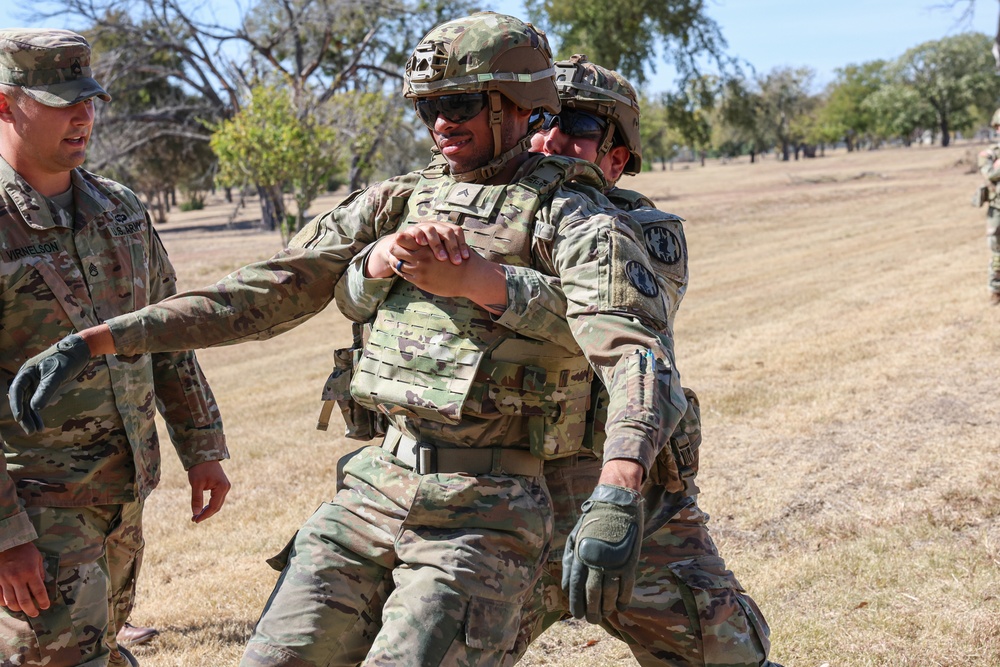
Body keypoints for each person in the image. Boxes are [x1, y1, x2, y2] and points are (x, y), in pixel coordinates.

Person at [12, 13, 682, 666]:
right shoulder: (398, 199)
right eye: (428, 109)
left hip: (485, 513)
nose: (441, 124)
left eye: (458, 104)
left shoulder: (575, 218)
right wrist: (103, 338)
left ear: (517, 104)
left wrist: (620, 486)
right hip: (371, 488)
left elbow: (637, 357)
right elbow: (267, 291)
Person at [335, 53, 776, 665]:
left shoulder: (642, 233)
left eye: (581, 129)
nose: (552, 138)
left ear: (617, 158)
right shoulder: (458, 206)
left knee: (720, 651)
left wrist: (478, 281)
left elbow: (612, 328)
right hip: (495, 491)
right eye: (541, 118)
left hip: (619, 488)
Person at [0, 29, 230, 667]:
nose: (83, 115)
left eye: (90, 98)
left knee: (97, 647)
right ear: (4, 104)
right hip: (37, 507)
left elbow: (169, 335)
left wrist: (202, 446)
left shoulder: (121, 209)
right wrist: (7, 536)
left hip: (122, 493)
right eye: (60, 100)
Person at [976, 107, 1000, 305]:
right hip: (997, 211)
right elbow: (990, 174)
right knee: (997, 251)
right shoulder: (989, 153)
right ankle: (996, 290)